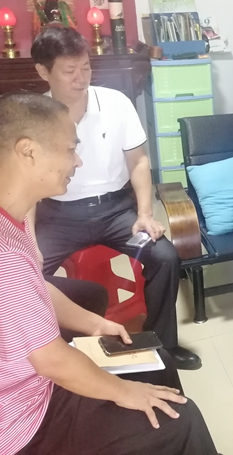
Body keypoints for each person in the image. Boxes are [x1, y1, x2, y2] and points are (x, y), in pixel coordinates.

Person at [0, 92, 217, 455]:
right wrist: (124, 392)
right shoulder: (6, 257)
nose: (78, 161)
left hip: (36, 381)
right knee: (183, 420)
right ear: (28, 152)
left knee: (158, 360)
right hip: (25, 420)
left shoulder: (15, 217)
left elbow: (34, 288)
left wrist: (94, 324)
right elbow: (51, 360)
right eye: (70, 150)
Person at [30, 26, 200, 370]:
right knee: (24, 274)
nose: (81, 78)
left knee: (165, 256)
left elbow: (138, 162)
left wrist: (144, 213)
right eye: (69, 71)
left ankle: (164, 345)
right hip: (59, 215)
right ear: (43, 71)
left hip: (116, 212)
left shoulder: (115, 103)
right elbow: (29, 185)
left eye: (86, 67)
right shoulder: (35, 116)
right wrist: (30, 241)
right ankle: (54, 348)